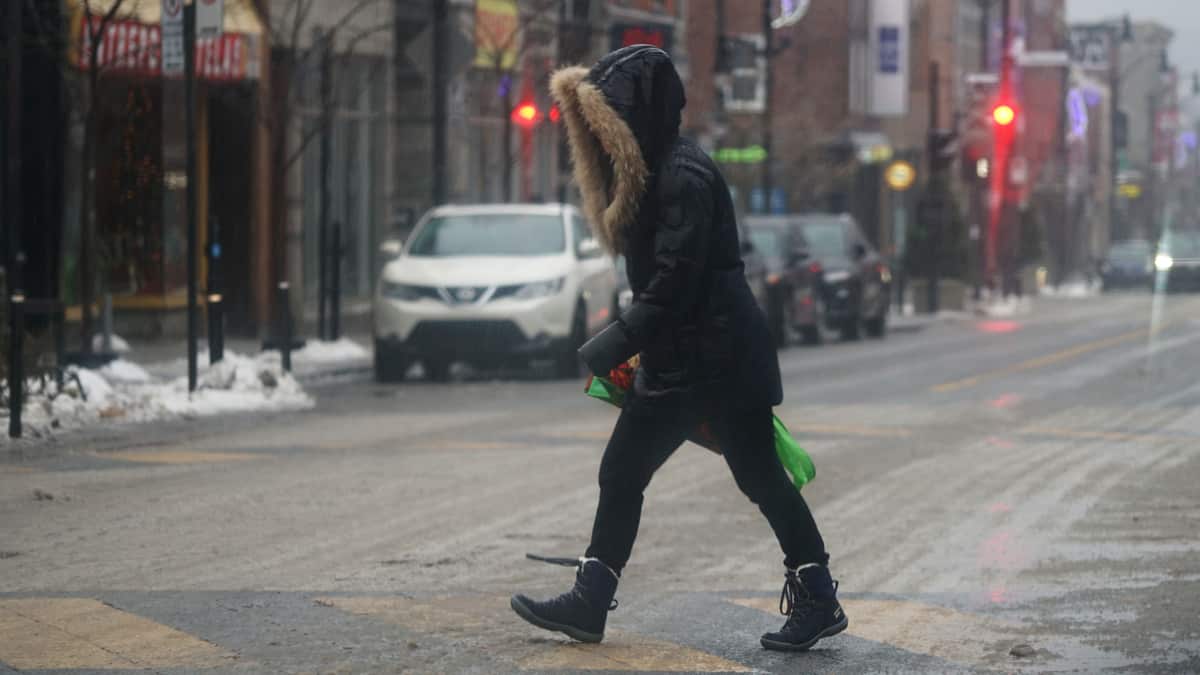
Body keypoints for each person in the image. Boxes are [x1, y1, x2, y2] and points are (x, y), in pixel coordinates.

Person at [509, 45, 847, 653]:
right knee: (736, 477)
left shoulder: (680, 178)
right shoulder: (661, 169)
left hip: (711, 361)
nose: (598, 136)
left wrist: (617, 340)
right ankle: (816, 596)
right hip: (698, 358)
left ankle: (594, 599)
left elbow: (674, 281)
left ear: (634, 116)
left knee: (673, 473)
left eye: (605, 121)